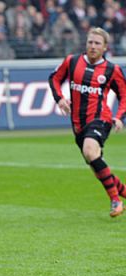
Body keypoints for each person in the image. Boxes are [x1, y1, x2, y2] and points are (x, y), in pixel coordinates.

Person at [49, 27, 126, 218]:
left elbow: (124, 94)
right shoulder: (72, 61)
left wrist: (120, 116)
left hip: (100, 118)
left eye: (97, 43)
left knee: (90, 151)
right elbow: (54, 79)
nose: (92, 46)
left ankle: (116, 200)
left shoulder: (111, 70)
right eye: (90, 42)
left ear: (105, 47)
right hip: (78, 124)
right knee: (95, 165)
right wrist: (59, 98)